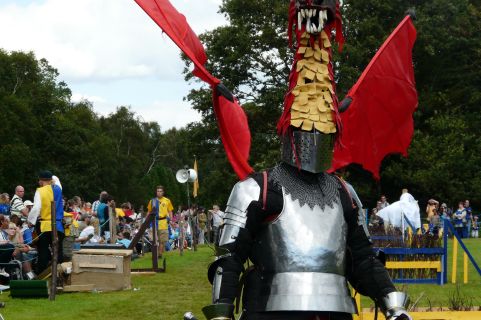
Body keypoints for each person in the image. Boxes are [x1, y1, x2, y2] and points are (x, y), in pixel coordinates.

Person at [27, 171, 65, 275]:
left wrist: (30, 221)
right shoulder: (58, 189)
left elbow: (36, 208)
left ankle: (42, 276)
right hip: (58, 226)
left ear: (41, 180)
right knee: (58, 252)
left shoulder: (40, 191)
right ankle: (61, 275)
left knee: (43, 252)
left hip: (45, 226)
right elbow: (56, 180)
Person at [147, 185, 173, 258]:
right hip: (154, 222)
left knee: (162, 241)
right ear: (156, 192)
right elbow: (149, 212)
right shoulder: (152, 201)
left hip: (163, 222)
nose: (159, 193)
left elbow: (170, 211)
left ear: (163, 192)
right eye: (158, 191)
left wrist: (171, 220)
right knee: (153, 240)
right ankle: (155, 254)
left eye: (160, 191)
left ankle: (160, 255)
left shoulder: (167, 201)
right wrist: (146, 221)